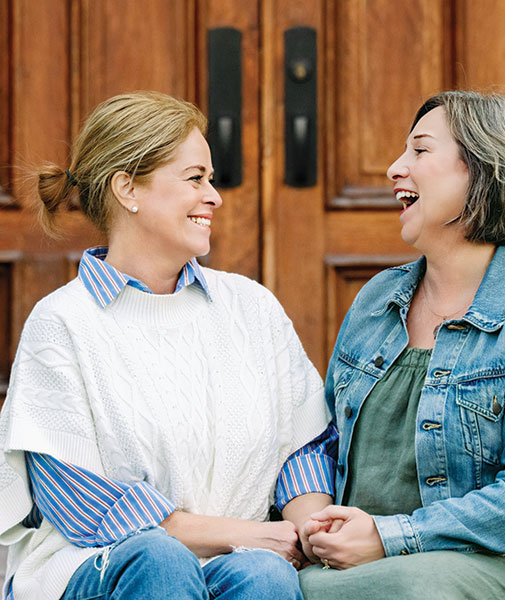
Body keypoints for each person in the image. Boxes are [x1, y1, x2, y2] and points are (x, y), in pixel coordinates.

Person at [0, 91, 337, 600]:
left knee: (265, 575)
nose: (214, 196)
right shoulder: (63, 323)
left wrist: (313, 530)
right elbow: (81, 507)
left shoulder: (251, 307)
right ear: (127, 188)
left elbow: (302, 446)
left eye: (212, 178)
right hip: (100, 567)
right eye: (195, 178)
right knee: (159, 559)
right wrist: (242, 533)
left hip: (235, 562)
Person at [298, 90, 505, 599]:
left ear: (485, 172)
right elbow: (325, 439)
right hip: (365, 562)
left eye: (420, 151)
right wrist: (313, 524)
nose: (395, 169)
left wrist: (390, 537)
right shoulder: (376, 300)